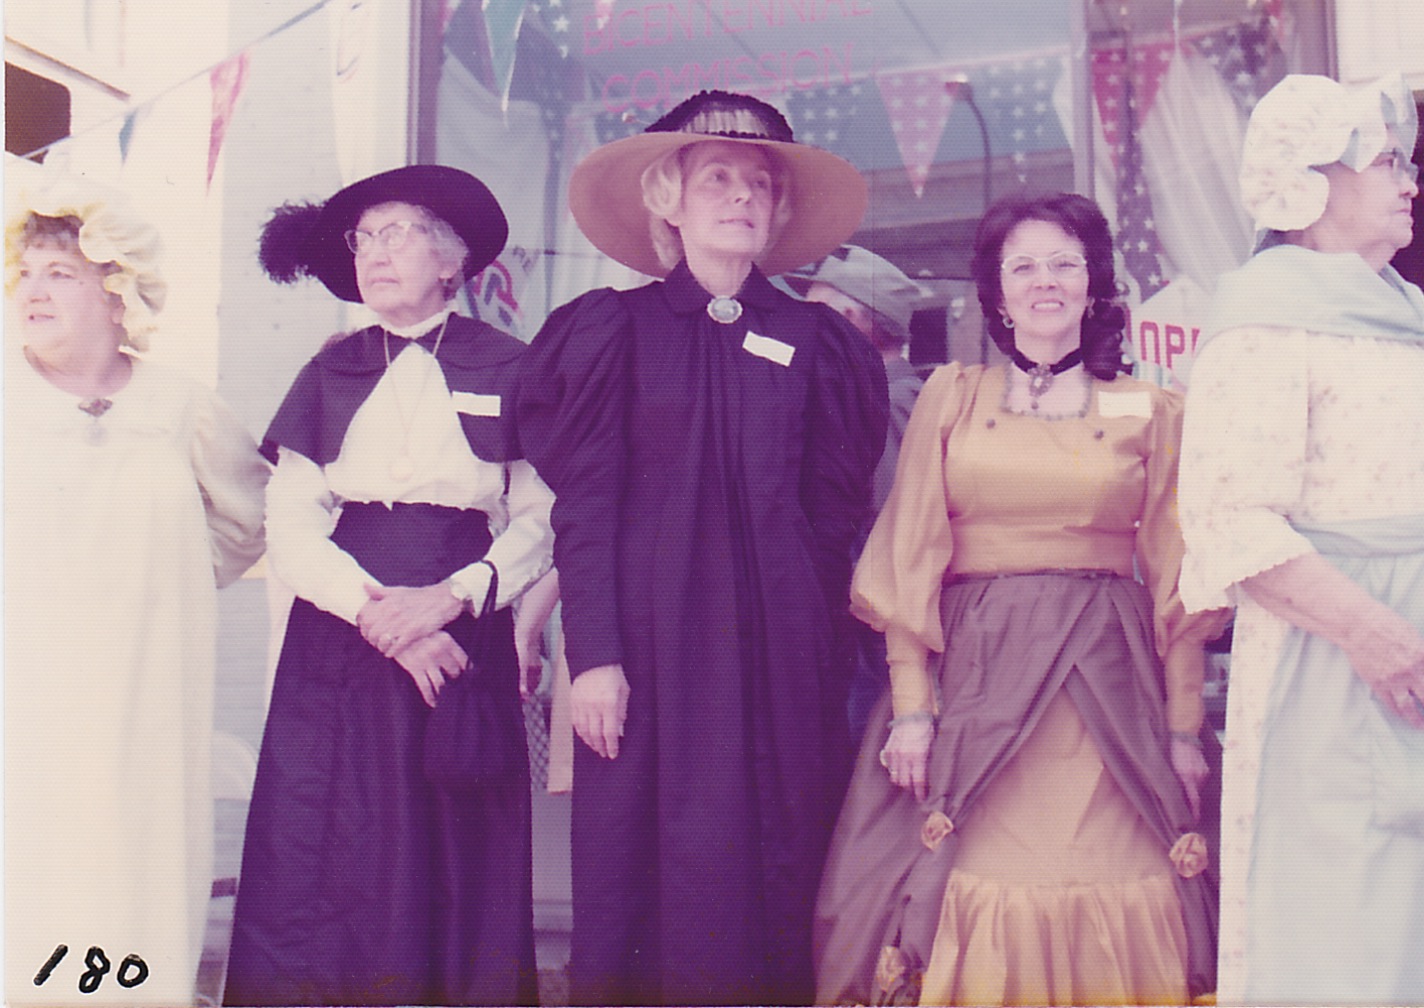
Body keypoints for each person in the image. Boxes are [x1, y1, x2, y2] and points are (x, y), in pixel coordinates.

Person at [515, 90, 888, 1005]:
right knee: (641, 871)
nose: (740, 195)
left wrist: (815, 645)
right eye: (715, 176)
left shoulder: (821, 344)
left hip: (783, 662)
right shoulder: (609, 332)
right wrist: (592, 658)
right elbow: (586, 510)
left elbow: (835, 517)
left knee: (781, 859)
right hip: (646, 653)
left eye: (758, 181)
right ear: (667, 201)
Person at [814, 192, 1229, 1006]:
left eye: (1065, 264)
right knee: (966, 875)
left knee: (1124, 870)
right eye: (1024, 267)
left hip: (1109, 682)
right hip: (976, 680)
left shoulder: (1152, 410)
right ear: (997, 292)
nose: (1046, 282)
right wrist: (910, 708)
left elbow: (1179, 577)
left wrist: (1183, 732)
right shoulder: (952, 397)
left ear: (1092, 283)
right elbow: (909, 555)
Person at [223, 166, 554, 1006]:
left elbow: (543, 518)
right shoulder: (328, 372)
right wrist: (385, 618)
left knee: (450, 846)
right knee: (329, 840)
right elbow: (290, 525)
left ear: (452, 261)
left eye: (398, 232)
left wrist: (457, 597)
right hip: (341, 636)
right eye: (364, 237)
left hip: (461, 630)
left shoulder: (514, 366)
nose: (376, 252)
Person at [1177, 74, 1424, 1006]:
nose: (1410, 181)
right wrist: (1371, 631)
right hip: (1338, 659)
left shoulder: (1402, 315)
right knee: (1340, 919)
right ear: (1315, 180)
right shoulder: (1264, 321)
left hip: (1413, 642)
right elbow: (1229, 514)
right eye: (1389, 161)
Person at [4, 180, 268, 1005]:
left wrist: (161, 588)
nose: (36, 291)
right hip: (28, 700)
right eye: (27, 274)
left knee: (134, 860)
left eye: (63, 274)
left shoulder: (179, 405)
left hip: (147, 696)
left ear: (117, 298)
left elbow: (247, 523)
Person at [788, 244, 931, 741]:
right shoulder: (878, 394)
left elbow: (893, 521)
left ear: (853, 320)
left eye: (819, 313)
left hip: (877, 611)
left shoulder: (889, 399)